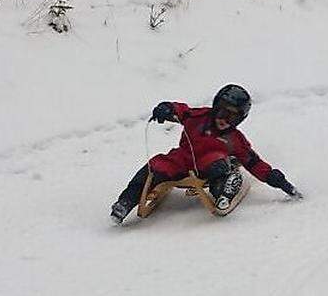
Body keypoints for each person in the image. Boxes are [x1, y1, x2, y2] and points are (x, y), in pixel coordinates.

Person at [111, 84, 300, 224]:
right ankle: (126, 201)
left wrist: (279, 181)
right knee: (157, 165)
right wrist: (166, 109)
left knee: (217, 164)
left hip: (209, 166)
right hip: (184, 158)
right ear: (215, 107)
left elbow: (254, 163)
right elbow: (181, 110)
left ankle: (225, 190)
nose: (225, 120)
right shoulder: (199, 117)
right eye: (223, 112)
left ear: (240, 119)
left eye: (232, 117)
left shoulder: (235, 139)